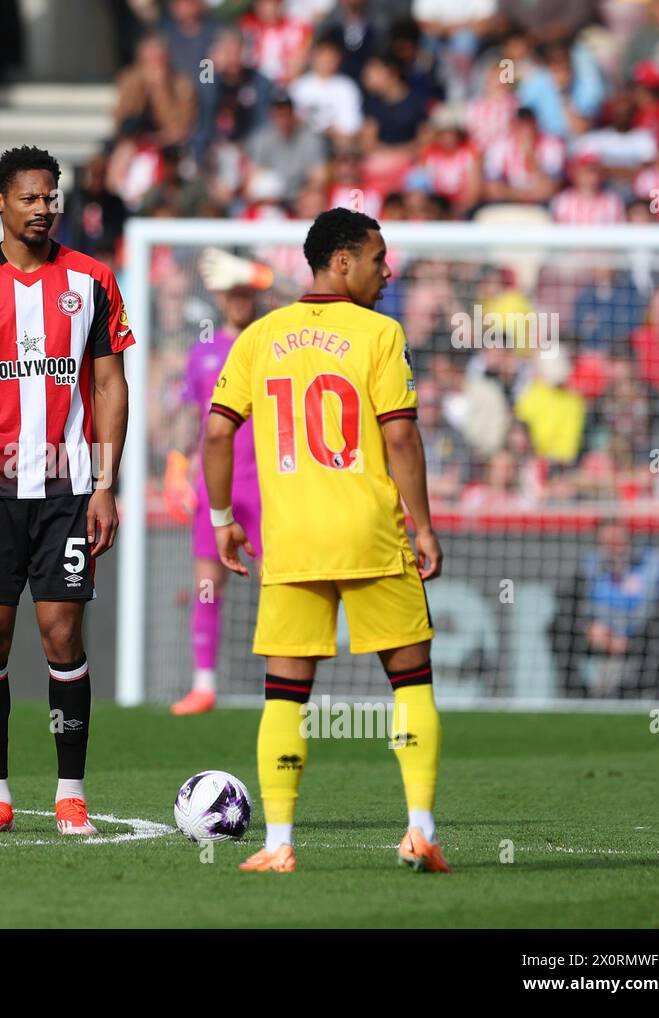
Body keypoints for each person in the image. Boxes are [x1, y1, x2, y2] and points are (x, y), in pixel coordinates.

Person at [204, 208, 448, 874]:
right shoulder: (379, 332)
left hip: (292, 542)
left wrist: (224, 517)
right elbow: (400, 436)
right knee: (411, 682)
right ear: (342, 261)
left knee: (285, 694)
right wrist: (423, 524)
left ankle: (278, 842)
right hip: (369, 532)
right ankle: (420, 831)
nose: (387, 270)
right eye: (378, 258)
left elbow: (219, 431)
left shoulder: (260, 335)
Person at [0, 146, 133, 838]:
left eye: (52, 197)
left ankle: (71, 793)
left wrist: (105, 483)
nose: (45, 209)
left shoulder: (93, 281)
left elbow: (108, 385)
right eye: (31, 198)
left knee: (62, 632)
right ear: (0, 203)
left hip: (68, 486)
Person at [170, 281, 263, 716]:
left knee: (279, 583)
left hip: (266, 484)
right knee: (207, 585)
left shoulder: (271, 343)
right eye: (233, 293)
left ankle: (286, 682)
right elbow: (192, 417)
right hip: (215, 483)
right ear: (222, 298)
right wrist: (176, 464)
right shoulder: (203, 350)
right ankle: (203, 684)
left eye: (246, 292)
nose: (239, 300)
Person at [549, 520, 659, 699]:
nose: (613, 546)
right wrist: (589, 628)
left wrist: (628, 638)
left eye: (617, 539)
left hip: (642, 638)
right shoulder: (590, 565)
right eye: (607, 541)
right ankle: (577, 699)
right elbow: (569, 603)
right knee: (557, 629)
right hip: (600, 637)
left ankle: (642, 702)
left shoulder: (656, 564)